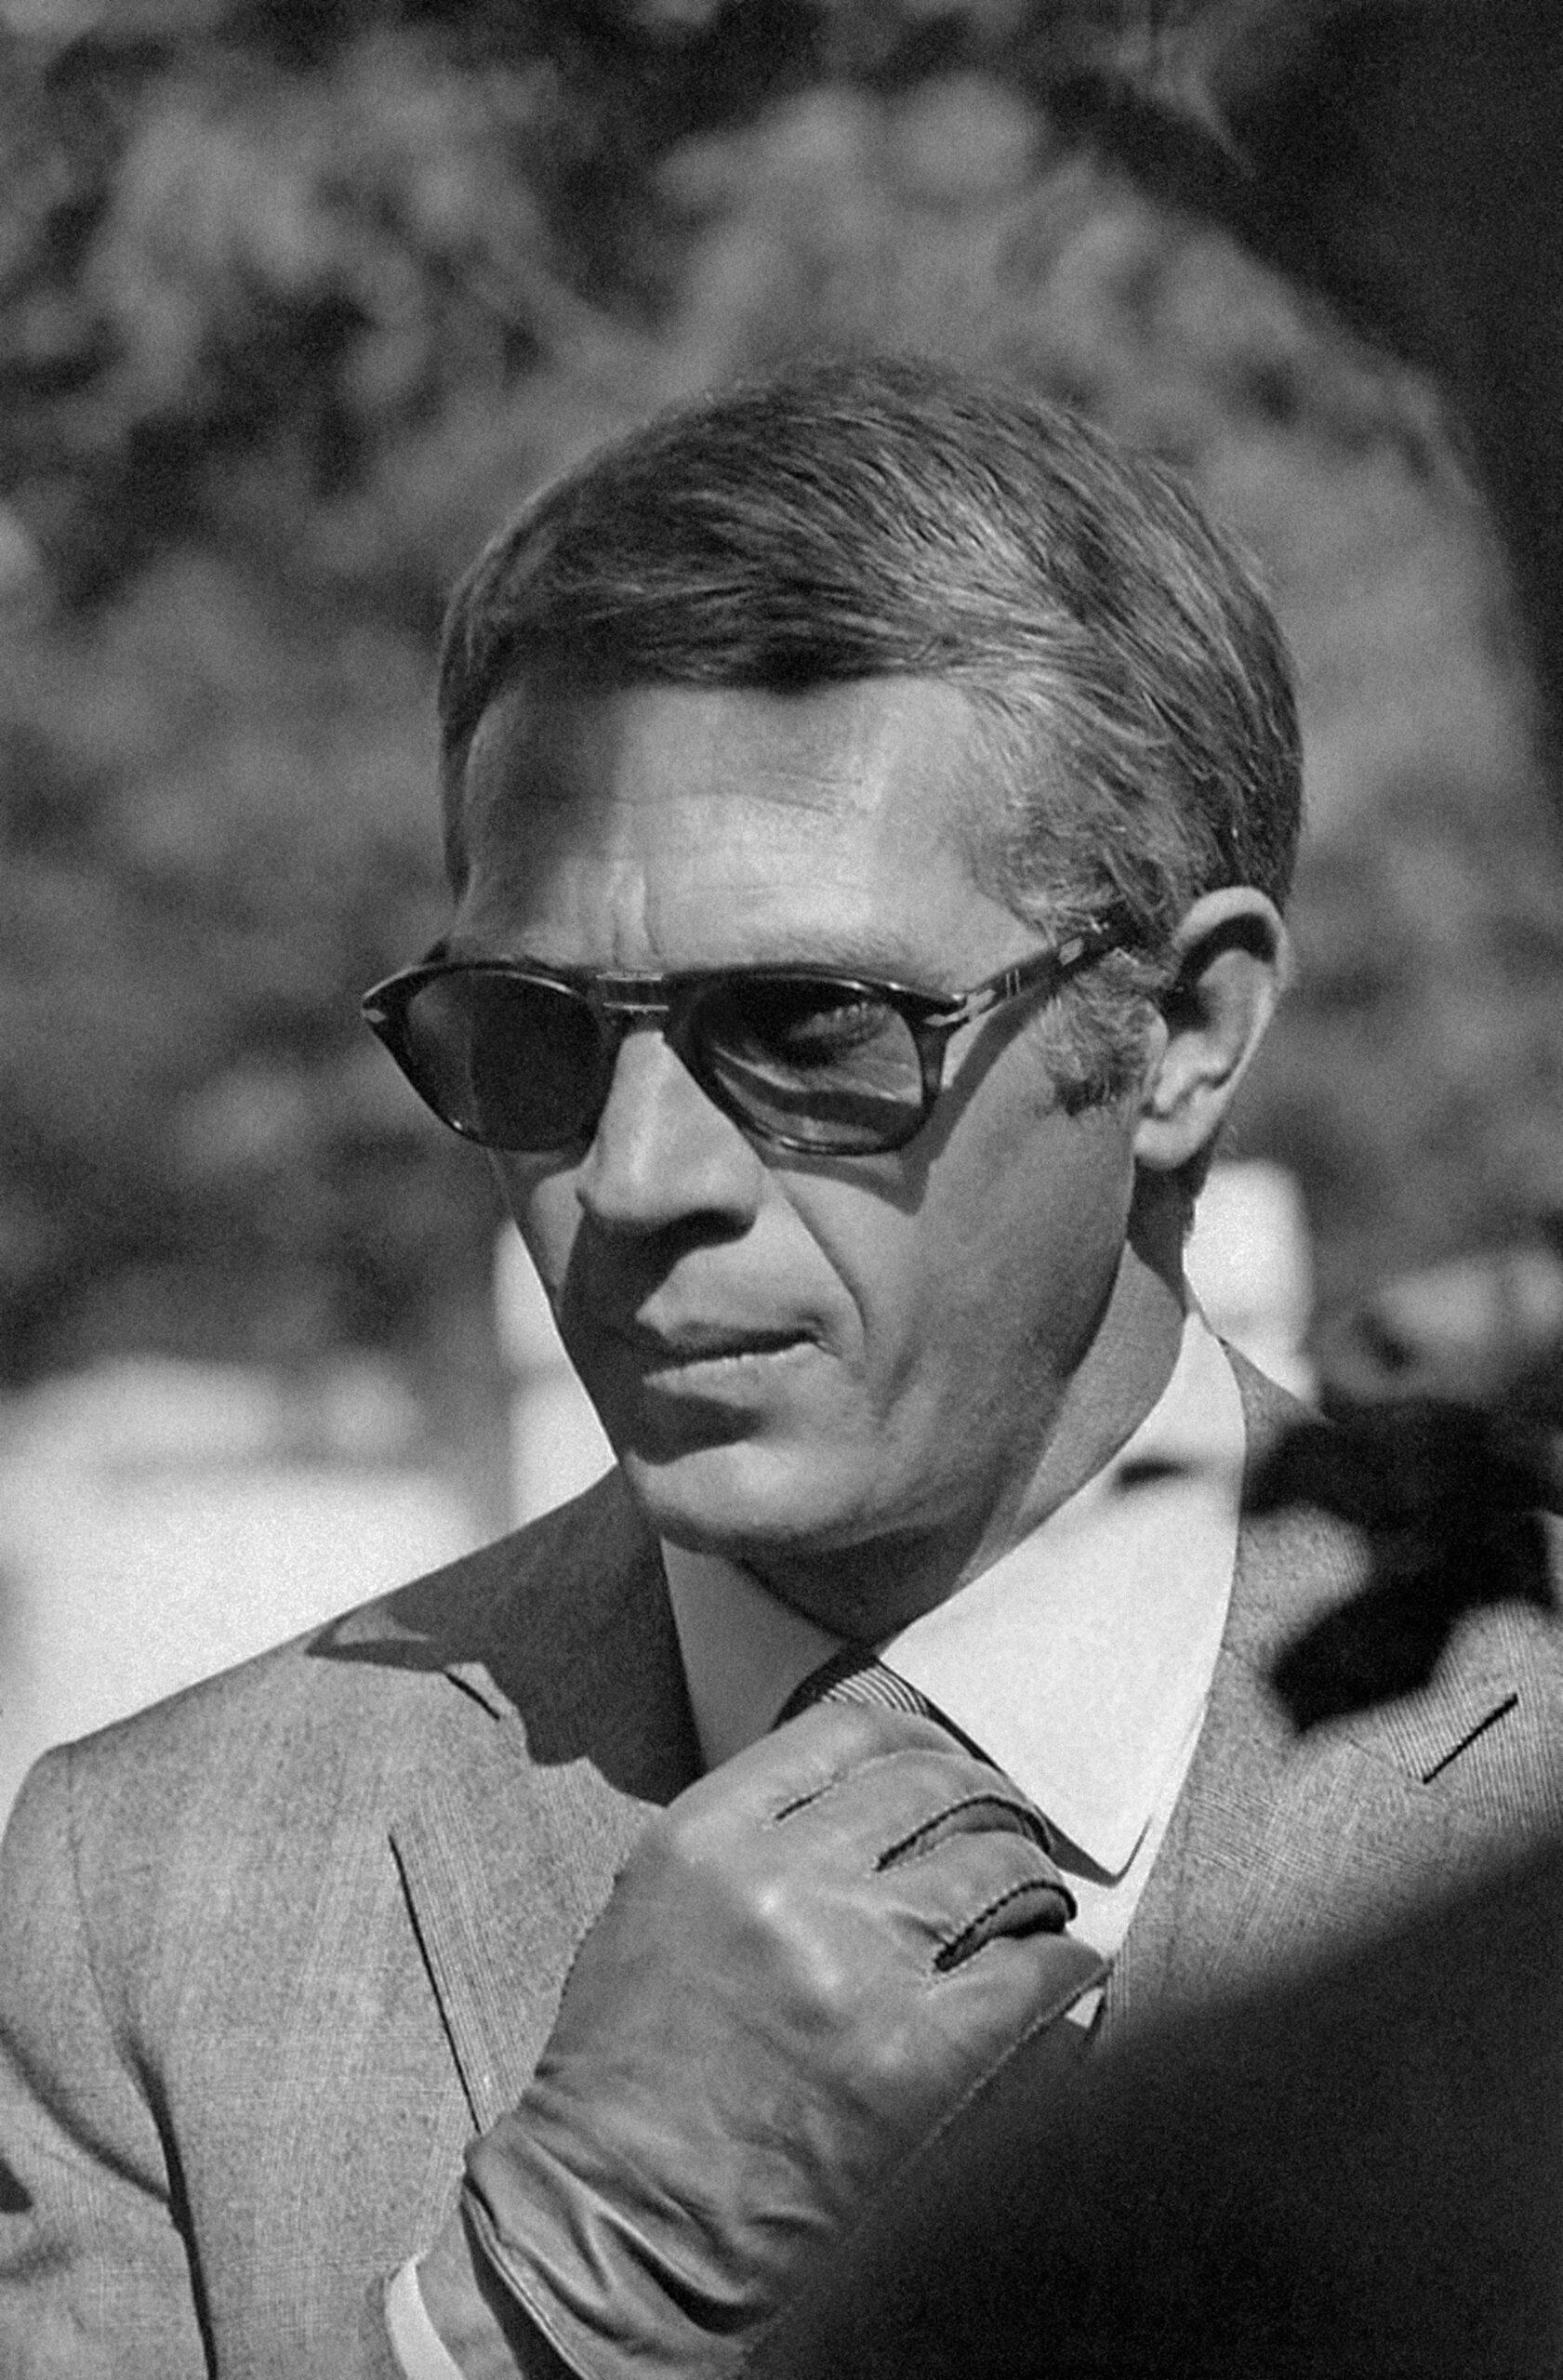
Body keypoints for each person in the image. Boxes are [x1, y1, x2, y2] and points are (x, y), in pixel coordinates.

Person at [3, 355, 1559, 2379]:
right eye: (532, 1035)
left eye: (811, 1024)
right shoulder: (151, 1900)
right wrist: (492, 2326)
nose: (635, 1177)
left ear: (1182, 1033)